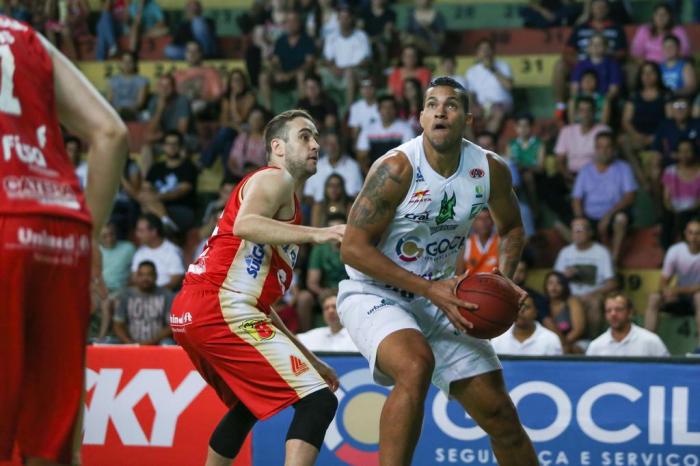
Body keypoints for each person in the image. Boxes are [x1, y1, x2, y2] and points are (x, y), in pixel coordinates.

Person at [338, 77, 536, 465]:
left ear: (468, 119)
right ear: (421, 118)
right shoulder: (396, 169)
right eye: (432, 105)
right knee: (414, 364)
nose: (441, 111)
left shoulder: (488, 169)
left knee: (501, 416)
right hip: (375, 293)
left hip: (443, 296)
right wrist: (430, 291)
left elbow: (511, 228)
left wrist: (503, 279)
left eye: (451, 105)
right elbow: (353, 248)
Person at [170, 109, 344, 465]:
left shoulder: (284, 202)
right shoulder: (275, 179)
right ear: (277, 147)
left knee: (245, 405)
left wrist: (311, 360)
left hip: (195, 312)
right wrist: (320, 232)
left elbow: (259, 307)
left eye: (315, 137)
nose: (315, 145)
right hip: (219, 307)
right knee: (319, 401)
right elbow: (246, 224)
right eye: (304, 137)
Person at [0, 16, 128, 466]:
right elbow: (111, 134)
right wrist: (90, 237)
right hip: (62, 229)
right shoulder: (26, 37)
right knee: (52, 444)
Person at [572, 131, 638, 264]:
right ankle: (583, 260)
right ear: (595, 149)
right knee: (573, 226)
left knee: (621, 219)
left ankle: (613, 259)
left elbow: (630, 197)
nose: (604, 151)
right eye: (600, 147)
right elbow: (576, 199)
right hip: (590, 217)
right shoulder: (585, 170)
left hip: (614, 214)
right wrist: (581, 219)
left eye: (608, 147)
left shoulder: (623, 168)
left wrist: (608, 216)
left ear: (614, 149)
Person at [644, 218, 700, 353]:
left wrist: (676, 290)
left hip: (694, 298)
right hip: (680, 298)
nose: (694, 237)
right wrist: (666, 291)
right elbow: (664, 280)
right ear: (685, 234)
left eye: (698, 233)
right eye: (691, 233)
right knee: (654, 298)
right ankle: (645, 346)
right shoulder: (675, 251)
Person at [554, 217, 617, 333]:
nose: (577, 233)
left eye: (581, 229)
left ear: (591, 232)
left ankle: (592, 341)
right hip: (569, 297)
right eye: (574, 230)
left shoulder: (601, 252)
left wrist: (590, 295)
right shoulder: (565, 253)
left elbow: (612, 284)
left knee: (594, 302)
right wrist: (564, 277)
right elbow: (554, 281)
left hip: (593, 296)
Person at [139, 130, 199, 233]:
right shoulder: (156, 168)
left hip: (182, 209)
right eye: (168, 143)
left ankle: (165, 227)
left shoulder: (188, 167)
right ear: (163, 146)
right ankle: (166, 223)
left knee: (147, 208)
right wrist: (151, 197)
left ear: (181, 146)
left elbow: (180, 192)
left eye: (175, 144)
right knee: (145, 205)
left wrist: (156, 196)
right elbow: (145, 188)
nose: (171, 147)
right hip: (157, 206)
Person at [587, 292, 669, 356]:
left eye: (618, 309)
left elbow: (668, 372)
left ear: (630, 312)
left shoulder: (651, 341)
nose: (613, 314)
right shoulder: (595, 346)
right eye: (608, 311)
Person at [114, 260, 175, 345]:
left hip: (158, 342)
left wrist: (149, 342)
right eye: (141, 275)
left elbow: (171, 326)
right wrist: (129, 343)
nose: (145, 278)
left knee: (168, 343)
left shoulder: (166, 295)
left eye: (149, 275)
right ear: (136, 276)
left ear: (156, 276)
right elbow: (118, 324)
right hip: (130, 342)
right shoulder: (126, 295)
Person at [465, 38, 513, 135]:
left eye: (488, 49)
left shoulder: (503, 65)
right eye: (482, 49)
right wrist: (472, 107)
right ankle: (475, 144)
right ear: (477, 53)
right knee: (465, 116)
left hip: (502, 103)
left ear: (493, 51)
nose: (485, 52)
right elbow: (470, 94)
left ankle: (487, 141)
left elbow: (509, 86)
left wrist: (493, 69)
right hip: (482, 105)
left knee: (498, 112)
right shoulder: (472, 71)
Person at [355, 94, 414, 174]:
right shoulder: (368, 130)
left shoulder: (405, 128)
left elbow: (408, 156)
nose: (387, 110)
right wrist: (371, 176)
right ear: (378, 110)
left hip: (398, 173)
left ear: (395, 110)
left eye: (391, 107)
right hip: (374, 173)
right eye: (384, 107)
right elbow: (361, 157)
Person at [303, 131, 363, 204]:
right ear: (324, 146)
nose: (332, 147)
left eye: (335, 144)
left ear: (341, 145)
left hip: (344, 209)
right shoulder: (316, 165)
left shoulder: (353, 166)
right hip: (319, 209)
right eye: (329, 144)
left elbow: (356, 195)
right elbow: (309, 195)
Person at [491, 296, 563, 356]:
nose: (521, 310)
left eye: (527, 307)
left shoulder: (551, 339)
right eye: (518, 306)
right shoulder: (497, 339)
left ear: (536, 312)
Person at [661, 139, 700, 247]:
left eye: (688, 151)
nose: (684, 155)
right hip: (674, 210)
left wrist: (686, 211)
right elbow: (666, 198)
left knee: (686, 218)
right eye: (681, 151)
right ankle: (668, 253)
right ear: (677, 153)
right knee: (668, 219)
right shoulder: (670, 171)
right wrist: (674, 210)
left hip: (694, 210)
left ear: (694, 152)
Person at [131, 214, 185, 290]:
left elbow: (175, 281)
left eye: (141, 231)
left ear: (154, 232)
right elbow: (135, 278)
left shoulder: (172, 251)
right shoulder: (139, 252)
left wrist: (154, 293)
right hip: (143, 296)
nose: (137, 234)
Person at [542, 271, 587, 353]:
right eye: (550, 283)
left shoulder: (572, 301)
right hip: (555, 344)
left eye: (558, 283)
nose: (554, 287)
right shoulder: (543, 304)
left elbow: (578, 330)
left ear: (564, 286)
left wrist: (564, 344)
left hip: (577, 342)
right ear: (545, 286)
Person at [107, 51, 149, 121]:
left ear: (135, 64)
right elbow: (109, 100)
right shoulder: (113, 80)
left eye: (129, 62)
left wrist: (127, 110)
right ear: (120, 63)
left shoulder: (142, 81)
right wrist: (116, 111)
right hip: (115, 113)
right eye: (124, 61)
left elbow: (140, 103)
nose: (126, 64)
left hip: (133, 112)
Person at [457, 209, 500, 275]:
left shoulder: (500, 242)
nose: (484, 222)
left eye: (487, 218)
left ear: (493, 221)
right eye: (480, 219)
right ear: (473, 223)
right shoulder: (467, 244)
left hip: (494, 283)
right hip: (472, 283)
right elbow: (458, 274)